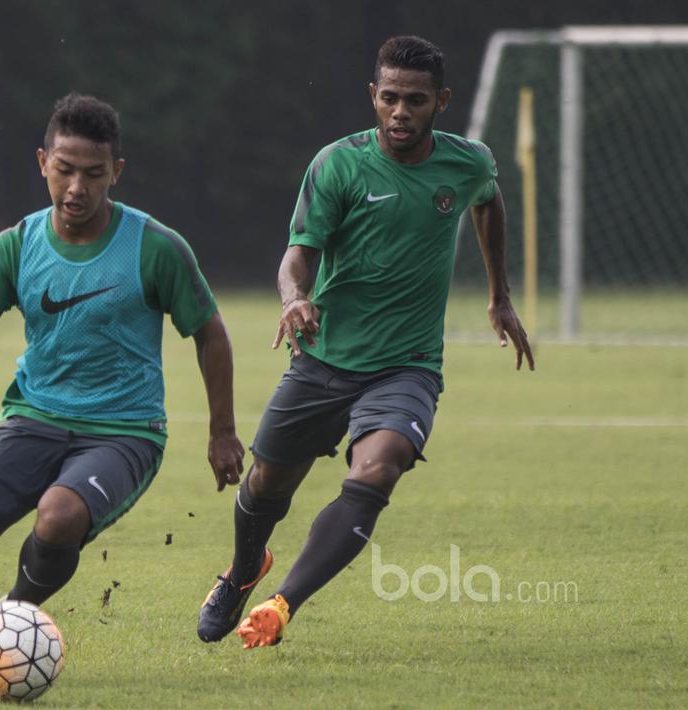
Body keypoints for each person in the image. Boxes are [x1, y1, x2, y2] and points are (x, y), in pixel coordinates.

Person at [0, 92, 244, 685]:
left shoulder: (156, 246)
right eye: (64, 169)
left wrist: (222, 431)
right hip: (34, 418)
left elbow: (210, 334)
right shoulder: (16, 245)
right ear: (42, 162)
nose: (76, 187)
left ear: (117, 173)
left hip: (124, 431)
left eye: (93, 173)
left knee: (58, 516)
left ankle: (0, 622)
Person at [196, 35, 534, 649]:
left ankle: (281, 605)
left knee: (378, 471)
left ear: (442, 102)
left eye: (415, 101)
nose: (401, 112)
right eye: (389, 99)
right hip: (323, 357)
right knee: (267, 485)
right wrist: (294, 297)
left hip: (406, 368)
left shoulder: (468, 163)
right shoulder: (339, 165)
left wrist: (499, 293)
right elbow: (297, 256)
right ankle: (245, 571)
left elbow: (488, 201)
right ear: (372, 98)